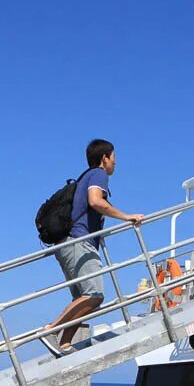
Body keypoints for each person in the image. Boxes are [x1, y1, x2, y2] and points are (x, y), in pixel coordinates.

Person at [42, 139, 144, 356]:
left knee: (82, 297)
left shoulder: (84, 177)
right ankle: (51, 330)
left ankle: (65, 343)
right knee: (95, 295)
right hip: (79, 242)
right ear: (104, 158)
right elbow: (96, 201)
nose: (115, 164)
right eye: (114, 158)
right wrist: (127, 217)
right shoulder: (99, 174)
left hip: (68, 243)